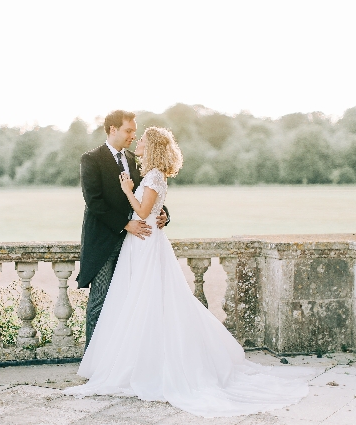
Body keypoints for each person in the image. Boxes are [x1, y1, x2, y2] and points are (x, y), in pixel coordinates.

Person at [64, 127, 314, 418]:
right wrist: (141, 208)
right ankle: (127, 361)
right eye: (133, 132)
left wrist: (133, 194)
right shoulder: (115, 163)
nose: (137, 139)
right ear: (113, 128)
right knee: (134, 302)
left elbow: (146, 209)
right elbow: (108, 203)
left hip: (144, 242)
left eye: (141, 136)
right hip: (135, 242)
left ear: (152, 146)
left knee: (149, 301)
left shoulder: (150, 172)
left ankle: (145, 365)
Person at [77, 110, 168, 350]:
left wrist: (164, 215)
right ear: (112, 129)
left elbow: (149, 194)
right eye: (128, 130)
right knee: (100, 301)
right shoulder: (91, 159)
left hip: (136, 244)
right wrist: (125, 224)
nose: (132, 135)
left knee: (128, 301)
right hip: (105, 241)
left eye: (134, 132)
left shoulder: (134, 159)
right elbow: (94, 202)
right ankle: (93, 360)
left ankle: (119, 359)